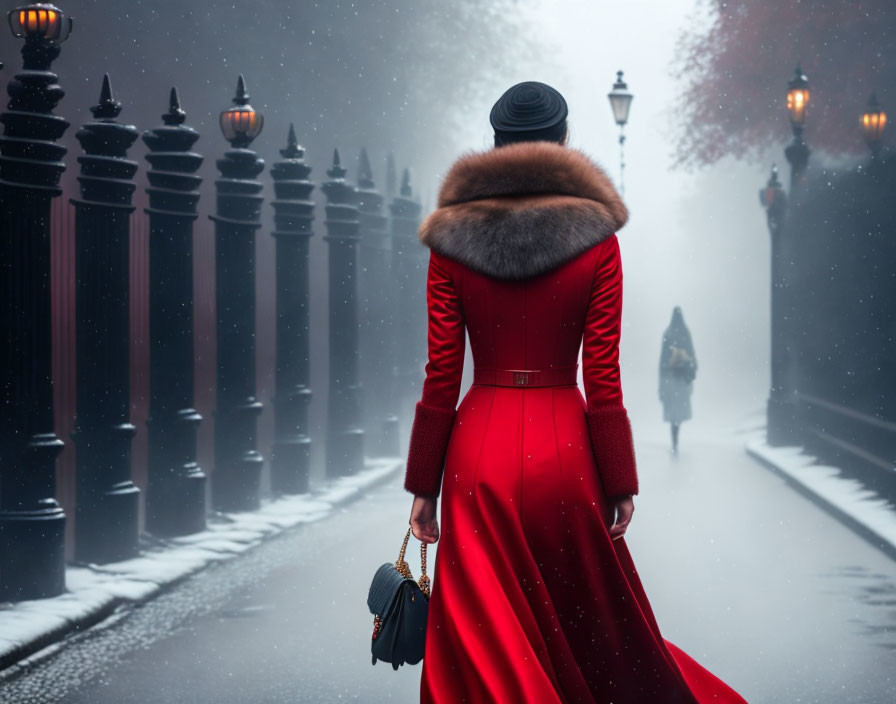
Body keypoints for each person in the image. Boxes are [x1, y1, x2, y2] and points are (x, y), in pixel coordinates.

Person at [403, 81, 746, 703]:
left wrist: (424, 482)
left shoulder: (450, 242)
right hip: (565, 451)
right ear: (562, 143)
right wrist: (619, 480)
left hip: (478, 457)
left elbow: (441, 374)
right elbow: (604, 376)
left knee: (486, 640)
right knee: (585, 631)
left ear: (496, 145)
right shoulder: (598, 241)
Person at [659, 306, 697, 453]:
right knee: (678, 411)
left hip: (671, 379)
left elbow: (662, 360)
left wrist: (661, 384)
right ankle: (676, 435)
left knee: (674, 411)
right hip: (681, 379)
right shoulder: (685, 334)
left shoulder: (668, 334)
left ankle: (674, 436)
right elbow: (692, 355)